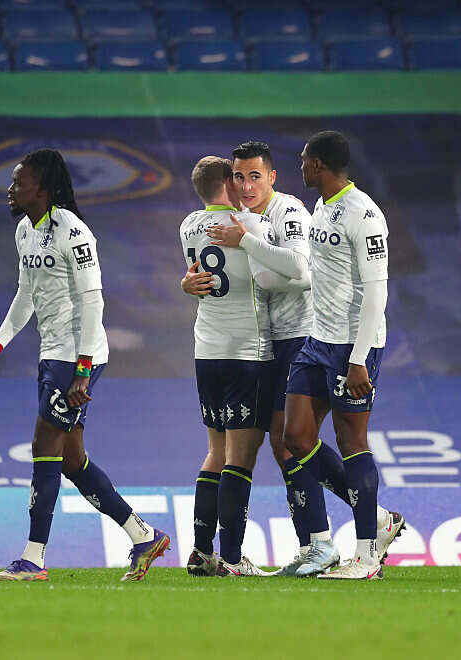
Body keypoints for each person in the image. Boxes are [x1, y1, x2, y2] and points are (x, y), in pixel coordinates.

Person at [0, 148, 169, 582]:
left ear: (41, 188)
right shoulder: (25, 231)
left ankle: (33, 558)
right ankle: (143, 535)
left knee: (44, 446)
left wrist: (82, 369)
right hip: (53, 355)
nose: (10, 189)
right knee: (72, 460)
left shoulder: (74, 232)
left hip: (78, 356)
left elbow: (92, 300)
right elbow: (25, 295)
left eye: (19, 182)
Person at [207, 141, 337, 577]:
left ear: (272, 177)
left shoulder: (288, 211)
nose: (246, 186)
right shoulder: (239, 219)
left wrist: (246, 243)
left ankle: (322, 540)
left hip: (302, 337)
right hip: (265, 345)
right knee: (285, 448)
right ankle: (324, 538)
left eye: (255, 177)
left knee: (291, 441)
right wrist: (191, 284)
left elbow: (300, 269)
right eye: (239, 177)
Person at [281, 130, 403, 580]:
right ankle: (379, 516)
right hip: (317, 341)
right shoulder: (320, 207)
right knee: (295, 438)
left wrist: (358, 358)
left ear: (317, 164)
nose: (300, 166)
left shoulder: (364, 215)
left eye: (303, 160)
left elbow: (376, 293)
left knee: (352, 442)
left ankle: (367, 556)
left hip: (352, 346)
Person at [178, 156, 281, 578]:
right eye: (237, 178)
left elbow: (196, 274)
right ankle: (234, 559)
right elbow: (283, 272)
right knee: (240, 459)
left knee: (215, 452)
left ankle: (202, 552)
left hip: (207, 351)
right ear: (228, 184)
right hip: (246, 351)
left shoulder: (187, 225)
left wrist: (185, 283)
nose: (244, 184)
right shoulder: (251, 226)